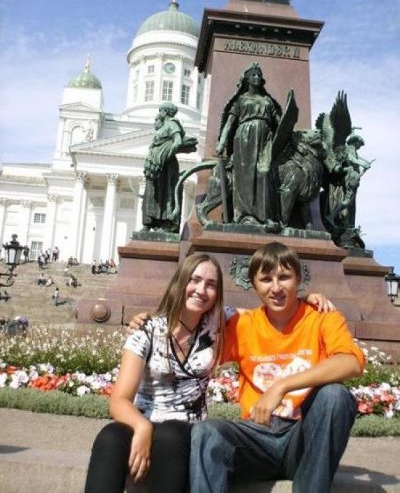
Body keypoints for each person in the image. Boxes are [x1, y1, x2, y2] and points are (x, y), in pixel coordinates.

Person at [190, 242, 365, 493]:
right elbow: (191, 339)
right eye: (265, 279)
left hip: (303, 438)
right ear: (254, 284)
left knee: (335, 396)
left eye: (284, 277)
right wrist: (148, 322)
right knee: (206, 432)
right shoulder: (242, 325)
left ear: (299, 280)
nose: (275, 288)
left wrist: (281, 387)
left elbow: (351, 362)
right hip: (256, 438)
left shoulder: (323, 317)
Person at [85, 253, 225, 493]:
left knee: (170, 435)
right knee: (110, 436)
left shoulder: (219, 325)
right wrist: (142, 427)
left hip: (186, 429)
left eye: (211, 285)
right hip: (144, 419)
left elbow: (268, 312)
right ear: (180, 282)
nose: (201, 290)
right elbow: (119, 400)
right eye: (194, 280)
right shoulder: (147, 330)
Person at [216, 62, 282, 226]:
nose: (257, 77)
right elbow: (230, 122)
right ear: (246, 79)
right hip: (244, 137)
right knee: (245, 176)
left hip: (265, 137)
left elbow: (279, 122)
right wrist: (222, 142)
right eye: (253, 75)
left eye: (259, 75)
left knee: (264, 172)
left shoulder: (267, 100)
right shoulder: (241, 99)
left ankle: (265, 216)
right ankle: (244, 216)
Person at [141, 102, 197, 233]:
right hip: (157, 164)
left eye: (161, 110)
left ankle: (167, 223)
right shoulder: (164, 126)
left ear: (166, 111)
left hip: (166, 164)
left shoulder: (172, 124)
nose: (159, 113)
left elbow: (177, 141)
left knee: (166, 192)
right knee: (153, 192)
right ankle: (150, 222)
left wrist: (166, 154)